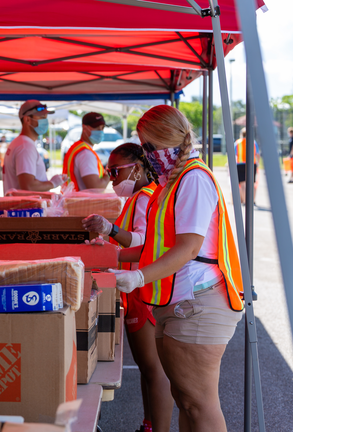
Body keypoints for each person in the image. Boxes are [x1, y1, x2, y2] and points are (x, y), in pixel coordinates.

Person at [99, 105, 245, 432]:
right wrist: (110, 258)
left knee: (198, 403)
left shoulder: (192, 179)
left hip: (200, 302)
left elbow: (188, 248)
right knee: (185, 399)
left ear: (169, 140)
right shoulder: (172, 182)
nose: (146, 155)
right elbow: (155, 246)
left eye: (149, 146)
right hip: (179, 303)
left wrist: (138, 276)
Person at [82, 143, 172, 432]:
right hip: (134, 288)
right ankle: (149, 425)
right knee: (147, 369)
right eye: (108, 172)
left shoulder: (146, 198)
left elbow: (145, 244)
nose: (111, 178)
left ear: (136, 167)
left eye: (115, 171)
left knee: (153, 368)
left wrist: (111, 234)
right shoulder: (138, 198)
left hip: (144, 289)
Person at [2, 100, 68, 193]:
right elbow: (28, 186)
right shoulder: (25, 147)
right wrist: (52, 183)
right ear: (27, 120)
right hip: (25, 207)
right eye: (41, 117)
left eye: (46, 117)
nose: (45, 121)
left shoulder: (20, 143)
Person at [62, 112, 110, 191]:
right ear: (84, 128)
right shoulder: (86, 154)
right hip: (82, 202)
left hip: (73, 200)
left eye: (102, 128)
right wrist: (109, 174)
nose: (100, 131)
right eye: (97, 128)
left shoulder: (77, 147)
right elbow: (95, 188)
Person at [234, 128, 260, 205]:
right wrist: (257, 163)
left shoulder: (237, 143)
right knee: (251, 184)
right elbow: (257, 154)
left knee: (242, 185)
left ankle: (245, 201)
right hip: (252, 164)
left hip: (240, 164)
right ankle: (252, 200)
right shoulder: (253, 142)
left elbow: (234, 154)